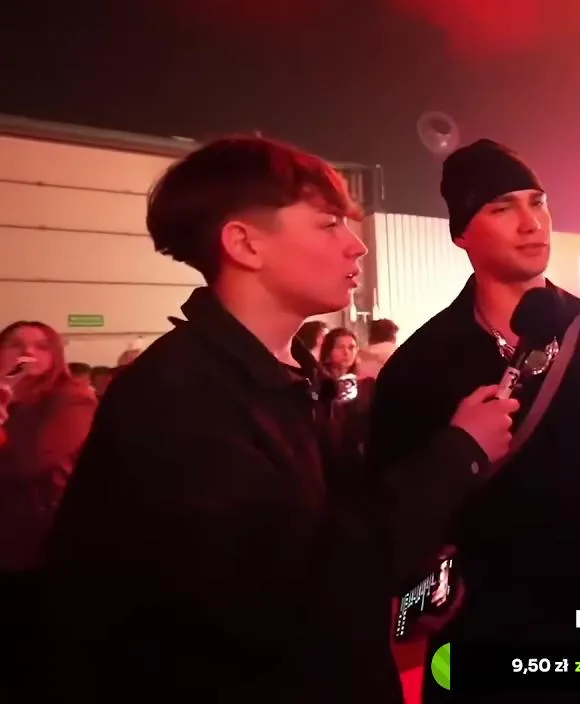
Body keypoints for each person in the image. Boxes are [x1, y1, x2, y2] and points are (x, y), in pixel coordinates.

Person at [43, 136, 517, 703]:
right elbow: (287, 593)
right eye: (329, 224)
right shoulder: (178, 396)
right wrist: (458, 455)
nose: (356, 246)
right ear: (245, 243)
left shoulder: (294, 378)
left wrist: (411, 591)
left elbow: (347, 543)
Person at [368, 139, 580, 703]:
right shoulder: (422, 362)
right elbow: (392, 509)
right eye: (502, 208)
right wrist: (422, 602)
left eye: (537, 202)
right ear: (462, 233)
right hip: (484, 637)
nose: (531, 222)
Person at [0, 321, 96, 702]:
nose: (27, 352)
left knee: (35, 651)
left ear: (55, 356)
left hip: (42, 540)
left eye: (41, 346)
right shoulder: (8, 397)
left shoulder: (71, 399)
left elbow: (27, 462)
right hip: (7, 538)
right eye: (15, 344)